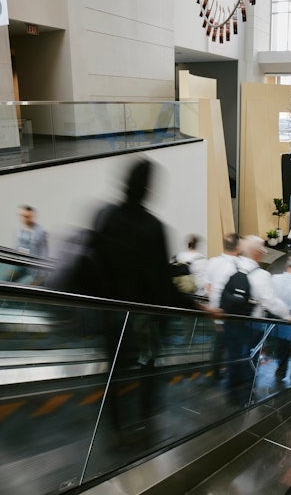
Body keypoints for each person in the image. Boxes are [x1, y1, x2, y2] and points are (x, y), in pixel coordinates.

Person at [76, 158, 216, 439]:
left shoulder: (105, 216)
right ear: (148, 189)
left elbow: (92, 263)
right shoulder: (152, 227)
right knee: (148, 369)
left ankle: (115, 427)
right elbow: (162, 284)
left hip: (109, 315)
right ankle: (144, 423)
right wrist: (196, 306)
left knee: (115, 372)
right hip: (142, 319)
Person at [223, 235, 291, 404]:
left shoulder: (230, 265)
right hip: (251, 324)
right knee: (249, 359)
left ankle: (231, 393)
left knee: (233, 356)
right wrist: (289, 317)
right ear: (257, 253)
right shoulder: (262, 275)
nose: (264, 252)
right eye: (262, 249)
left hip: (229, 320)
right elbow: (271, 302)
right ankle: (246, 396)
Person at [204, 232, 241, 381]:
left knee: (218, 344)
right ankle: (231, 375)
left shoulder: (212, 262)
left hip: (214, 312)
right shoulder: (239, 266)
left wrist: (214, 304)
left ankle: (215, 374)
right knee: (233, 345)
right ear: (238, 247)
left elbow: (207, 287)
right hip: (231, 313)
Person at [9, 204, 49, 284]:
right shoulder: (19, 230)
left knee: (35, 287)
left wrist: (41, 273)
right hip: (21, 263)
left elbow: (44, 252)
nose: (25, 219)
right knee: (8, 280)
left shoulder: (41, 232)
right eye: (23, 216)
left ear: (32, 216)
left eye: (27, 216)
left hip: (34, 266)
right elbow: (17, 246)